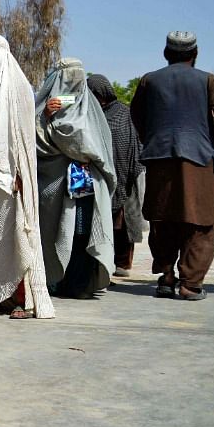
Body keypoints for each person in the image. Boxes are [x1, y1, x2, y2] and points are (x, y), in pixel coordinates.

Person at [131, 32, 214, 300]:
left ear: (166, 54)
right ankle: (190, 284)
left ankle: (166, 277)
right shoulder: (208, 81)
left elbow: (137, 115)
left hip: (159, 158)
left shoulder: (148, 80)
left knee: (163, 219)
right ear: (195, 54)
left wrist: (152, 140)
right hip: (198, 159)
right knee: (201, 221)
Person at [0, 35, 54, 319]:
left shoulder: (19, 90)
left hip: (11, 177)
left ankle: (23, 298)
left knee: (16, 234)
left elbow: (22, 136)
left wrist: (20, 173)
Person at [36, 58, 117, 298]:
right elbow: (34, 141)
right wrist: (45, 118)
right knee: (52, 232)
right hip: (51, 185)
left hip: (84, 187)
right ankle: (52, 281)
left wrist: (82, 153)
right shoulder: (42, 109)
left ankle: (78, 284)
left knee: (81, 232)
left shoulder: (90, 109)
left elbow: (94, 145)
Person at [86, 74, 143, 277]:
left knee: (124, 220)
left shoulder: (125, 114)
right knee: (105, 219)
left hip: (125, 175)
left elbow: (133, 143)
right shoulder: (92, 114)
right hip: (102, 175)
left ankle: (123, 262)